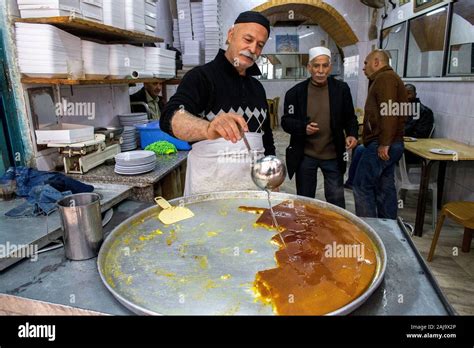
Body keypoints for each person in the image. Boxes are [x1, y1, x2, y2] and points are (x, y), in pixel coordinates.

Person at [160, 11, 275, 196]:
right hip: (209, 188)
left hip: (252, 188)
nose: (253, 49)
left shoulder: (257, 88)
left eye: (259, 45)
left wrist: (270, 170)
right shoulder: (201, 77)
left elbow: (266, 138)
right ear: (231, 35)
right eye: (248, 39)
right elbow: (170, 116)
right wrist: (208, 128)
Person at [281, 46, 358, 208]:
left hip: (333, 155)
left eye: (325, 66)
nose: (321, 70)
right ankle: (304, 230)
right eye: (316, 66)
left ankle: (335, 231)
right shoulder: (295, 93)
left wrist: (352, 134)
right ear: (309, 67)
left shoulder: (341, 90)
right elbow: (286, 121)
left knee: (336, 201)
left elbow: (350, 117)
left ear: (330, 67)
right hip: (305, 155)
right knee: (305, 201)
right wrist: (303, 128)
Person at [353, 49, 408, 219]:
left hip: (382, 144)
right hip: (389, 142)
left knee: (362, 185)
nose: (363, 67)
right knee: (384, 187)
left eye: (366, 62)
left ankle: (369, 228)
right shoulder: (386, 78)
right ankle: (387, 228)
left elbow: (390, 111)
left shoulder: (386, 78)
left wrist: (385, 143)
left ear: (377, 62)